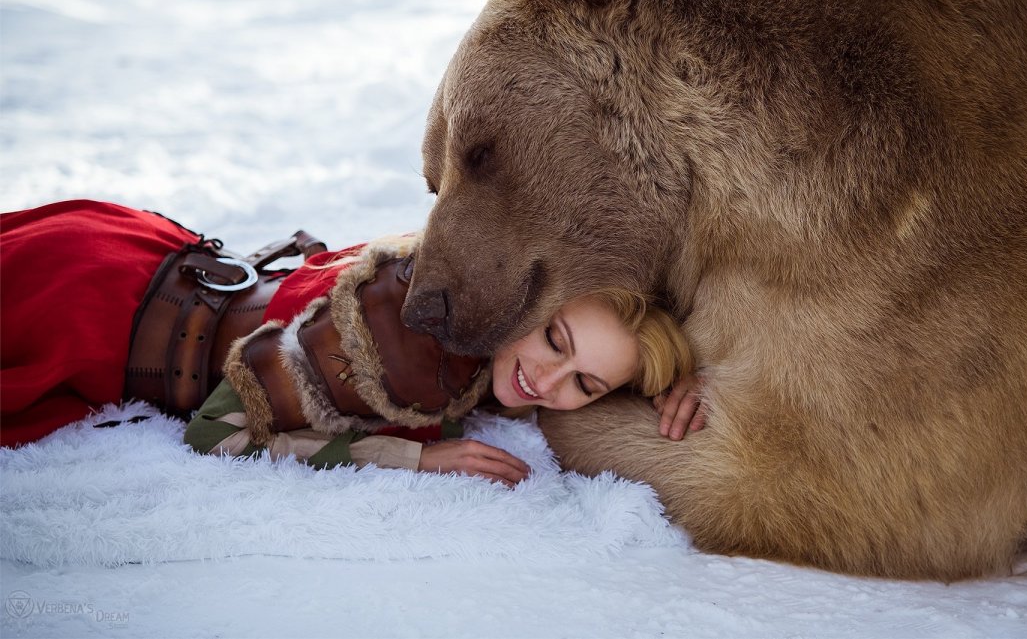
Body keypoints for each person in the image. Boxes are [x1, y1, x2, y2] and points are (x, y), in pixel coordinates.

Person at [1, 200, 705, 486]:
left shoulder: (459, 280)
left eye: (587, 384)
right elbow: (216, 432)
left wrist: (679, 377)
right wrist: (413, 456)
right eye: (555, 339)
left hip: (149, 257)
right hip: (85, 309)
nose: (548, 383)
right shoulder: (395, 330)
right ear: (526, 293)